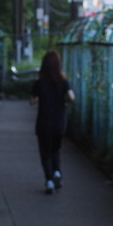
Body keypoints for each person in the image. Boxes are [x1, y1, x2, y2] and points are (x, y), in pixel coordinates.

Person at [30, 49, 75, 195]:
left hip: (44, 123)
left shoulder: (39, 83)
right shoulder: (63, 81)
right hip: (59, 123)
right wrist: (65, 100)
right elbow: (71, 97)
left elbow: (32, 101)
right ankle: (57, 172)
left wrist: (37, 99)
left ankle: (49, 180)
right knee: (56, 150)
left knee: (45, 152)